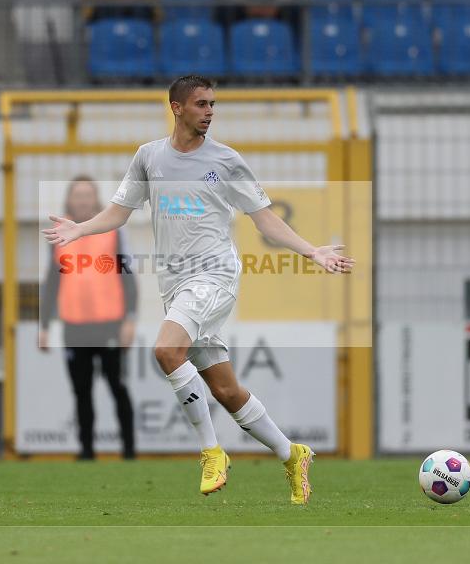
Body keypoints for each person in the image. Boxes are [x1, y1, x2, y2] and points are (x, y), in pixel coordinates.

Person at [42, 76, 353, 504]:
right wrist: (80, 228)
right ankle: (291, 452)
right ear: (176, 108)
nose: (209, 111)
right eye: (201, 104)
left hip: (215, 276)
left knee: (167, 352)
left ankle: (211, 452)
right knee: (226, 390)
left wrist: (311, 250)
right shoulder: (149, 158)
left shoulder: (226, 161)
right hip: (175, 284)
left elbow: (265, 220)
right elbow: (118, 212)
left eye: (213, 104)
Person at [39, 175, 138, 460]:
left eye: (88, 195)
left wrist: (130, 319)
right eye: (77, 195)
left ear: (95, 200)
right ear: (69, 200)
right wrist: (44, 326)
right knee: (81, 391)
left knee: (117, 386)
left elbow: (128, 276)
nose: (82, 200)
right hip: (74, 325)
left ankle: (129, 452)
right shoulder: (58, 233)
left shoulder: (111, 230)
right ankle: (86, 452)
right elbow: (51, 281)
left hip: (109, 323)